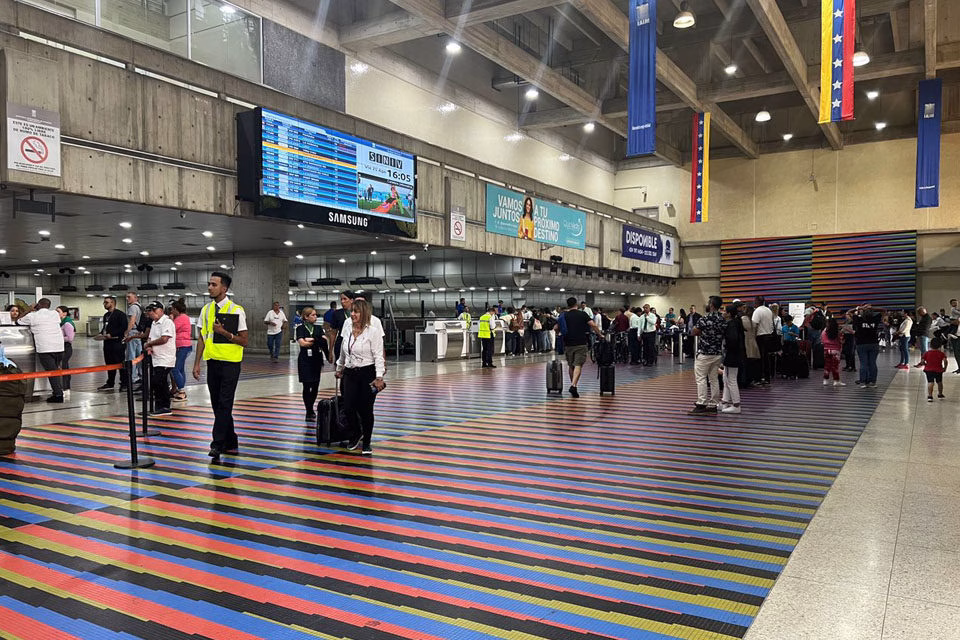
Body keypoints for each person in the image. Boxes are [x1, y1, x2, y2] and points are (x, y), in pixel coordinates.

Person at [193, 271, 248, 459]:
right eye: (209, 284)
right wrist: (196, 363)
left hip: (231, 364)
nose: (210, 287)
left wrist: (224, 332)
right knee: (217, 404)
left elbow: (244, 341)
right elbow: (202, 337)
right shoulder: (206, 310)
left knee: (225, 403)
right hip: (213, 363)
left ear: (224, 288)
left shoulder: (236, 310)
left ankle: (217, 444)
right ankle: (231, 438)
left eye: (214, 284)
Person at [335, 299, 386, 455]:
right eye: (352, 311)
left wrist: (379, 376)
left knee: (365, 409)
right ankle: (356, 433)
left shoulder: (373, 331)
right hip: (350, 372)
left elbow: (378, 355)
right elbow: (344, 350)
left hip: (367, 373)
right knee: (348, 407)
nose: (352, 314)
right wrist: (339, 367)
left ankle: (367, 442)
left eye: (356, 312)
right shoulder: (348, 327)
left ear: (363, 313)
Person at [17, 299, 65, 403]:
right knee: (56, 371)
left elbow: (18, 320)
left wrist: (29, 309)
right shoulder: (55, 314)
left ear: (38, 305)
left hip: (45, 348)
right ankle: (58, 392)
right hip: (59, 347)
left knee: (52, 372)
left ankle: (58, 395)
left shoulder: (32, 316)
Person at [560, 297, 603, 398]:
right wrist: (600, 335)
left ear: (567, 305)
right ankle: (573, 385)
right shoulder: (582, 314)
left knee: (571, 366)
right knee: (578, 364)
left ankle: (574, 386)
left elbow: (556, 327)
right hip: (580, 342)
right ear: (576, 304)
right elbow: (593, 325)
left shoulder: (563, 315)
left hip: (568, 343)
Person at [689, 296, 725, 415]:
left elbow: (694, 332)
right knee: (714, 379)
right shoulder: (723, 319)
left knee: (701, 378)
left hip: (705, 352)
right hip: (717, 353)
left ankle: (702, 403)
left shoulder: (705, 318)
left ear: (712, 305)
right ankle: (713, 404)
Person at [142, 302, 176, 417]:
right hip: (156, 358)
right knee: (158, 383)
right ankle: (158, 407)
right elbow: (151, 337)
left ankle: (165, 406)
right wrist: (149, 346)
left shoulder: (167, 322)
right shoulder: (154, 323)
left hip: (165, 358)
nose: (152, 313)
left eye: (154, 310)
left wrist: (149, 344)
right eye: (150, 311)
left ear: (161, 310)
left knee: (159, 381)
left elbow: (164, 339)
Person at [296, 306, 329, 422]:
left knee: (315, 385)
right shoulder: (300, 328)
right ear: (306, 317)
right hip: (305, 360)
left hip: (316, 359)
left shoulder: (319, 328)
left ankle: (310, 409)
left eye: (316, 315)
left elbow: (324, 341)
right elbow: (302, 343)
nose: (315, 317)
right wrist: (316, 340)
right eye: (313, 315)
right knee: (306, 385)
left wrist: (311, 339)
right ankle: (308, 410)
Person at [95, 296, 129, 391]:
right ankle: (110, 382)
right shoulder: (106, 315)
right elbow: (105, 327)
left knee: (120, 363)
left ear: (112, 303)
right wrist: (101, 334)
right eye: (104, 302)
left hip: (117, 342)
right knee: (109, 363)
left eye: (106, 302)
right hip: (108, 343)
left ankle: (124, 383)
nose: (104, 304)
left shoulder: (120, 314)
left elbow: (123, 328)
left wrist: (112, 334)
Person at [720, 304, 745, 414]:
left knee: (731, 380)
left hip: (733, 355)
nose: (723, 312)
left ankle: (736, 405)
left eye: (725, 311)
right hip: (732, 354)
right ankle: (725, 402)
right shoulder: (735, 323)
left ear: (729, 314)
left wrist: (727, 347)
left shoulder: (732, 324)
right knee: (726, 379)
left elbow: (733, 340)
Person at [852, 304, 883, 387]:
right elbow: (884, 311)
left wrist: (859, 308)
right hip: (874, 343)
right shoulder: (875, 319)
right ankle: (872, 382)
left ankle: (863, 382)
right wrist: (872, 307)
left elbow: (848, 312)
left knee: (863, 363)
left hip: (861, 344)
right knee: (872, 363)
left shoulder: (859, 319)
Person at [169, 300, 192, 401]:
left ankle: (182, 391)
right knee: (180, 369)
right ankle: (180, 389)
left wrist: (171, 320)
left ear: (176, 309)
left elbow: (171, 329)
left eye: (172, 309)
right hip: (184, 346)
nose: (171, 311)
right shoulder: (184, 317)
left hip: (182, 346)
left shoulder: (181, 318)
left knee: (175, 368)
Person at [915, 337, 948, 402]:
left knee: (930, 382)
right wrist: (945, 368)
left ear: (930, 345)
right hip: (938, 370)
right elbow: (945, 361)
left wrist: (923, 364)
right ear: (940, 346)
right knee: (939, 382)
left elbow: (922, 361)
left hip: (929, 370)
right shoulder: (941, 353)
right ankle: (940, 394)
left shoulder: (927, 353)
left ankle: (930, 396)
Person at [123, 291, 145, 389]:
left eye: (129, 297)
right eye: (127, 297)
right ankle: (141, 374)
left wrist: (127, 332)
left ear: (136, 298)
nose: (127, 299)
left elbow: (132, 321)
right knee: (139, 355)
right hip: (138, 333)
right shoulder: (139, 307)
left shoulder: (132, 308)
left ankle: (132, 377)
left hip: (132, 333)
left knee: (131, 356)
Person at [752, 296, 775, 386]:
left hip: (760, 337)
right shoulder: (768, 310)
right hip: (768, 336)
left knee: (759, 358)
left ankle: (759, 379)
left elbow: (754, 325)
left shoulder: (757, 311)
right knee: (766, 358)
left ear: (756, 302)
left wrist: (753, 338)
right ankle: (767, 378)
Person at [56, 306, 75, 399]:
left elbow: (70, 338)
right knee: (62, 366)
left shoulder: (67, 324)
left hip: (66, 348)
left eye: (58, 311)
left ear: (64, 313)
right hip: (61, 347)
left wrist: (58, 339)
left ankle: (66, 386)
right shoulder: (59, 323)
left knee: (64, 366)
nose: (56, 313)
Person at [821, 318, 845, 387]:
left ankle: (825, 380)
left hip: (826, 350)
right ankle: (836, 381)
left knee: (827, 365)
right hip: (835, 350)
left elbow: (822, 340)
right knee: (835, 367)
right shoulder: (838, 332)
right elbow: (842, 341)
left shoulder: (824, 331)